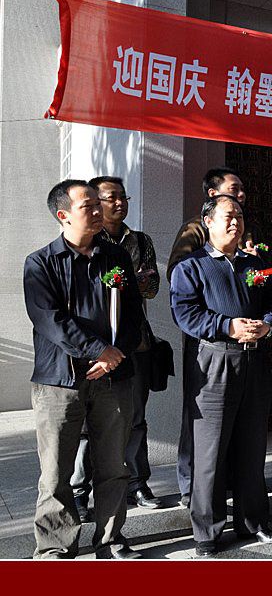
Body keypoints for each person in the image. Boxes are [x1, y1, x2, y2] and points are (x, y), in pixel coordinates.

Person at [25, 180, 144, 559]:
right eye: (88, 206)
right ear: (63, 215)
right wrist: (99, 350)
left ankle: (110, 540)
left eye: (97, 203)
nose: (97, 210)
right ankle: (55, 547)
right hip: (59, 381)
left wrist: (116, 354)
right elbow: (50, 320)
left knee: (114, 465)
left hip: (113, 378)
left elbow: (134, 315)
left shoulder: (116, 258)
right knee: (56, 472)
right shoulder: (41, 263)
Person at [169, 194, 272, 558]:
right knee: (210, 451)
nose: (235, 222)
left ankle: (254, 521)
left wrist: (267, 325)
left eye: (239, 217)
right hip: (214, 363)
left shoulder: (255, 263)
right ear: (207, 222)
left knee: (252, 447)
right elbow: (185, 314)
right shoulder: (191, 266)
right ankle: (206, 531)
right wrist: (227, 326)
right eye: (227, 216)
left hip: (254, 362)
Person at [69, 177, 163, 520]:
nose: (119, 203)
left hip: (133, 342)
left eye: (123, 197)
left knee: (135, 417)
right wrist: (129, 281)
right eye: (111, 198)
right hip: (93, 346)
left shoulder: (140, 240)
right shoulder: (90, 242)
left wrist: (130, 283)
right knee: (85, 425)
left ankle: (138, 483)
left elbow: (151, 287)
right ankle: (79, 491)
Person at [167, 167, 251, 508]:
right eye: (233, 188)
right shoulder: (195, 230)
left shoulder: (241, 228)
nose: (240, 194)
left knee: (236, 425)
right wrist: (220, 322)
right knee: (200, 421)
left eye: (241, 189)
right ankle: (192, 486)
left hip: (243, 346)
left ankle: (226, 483)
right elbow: (179, 275)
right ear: (212, 194)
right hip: (207, 341)